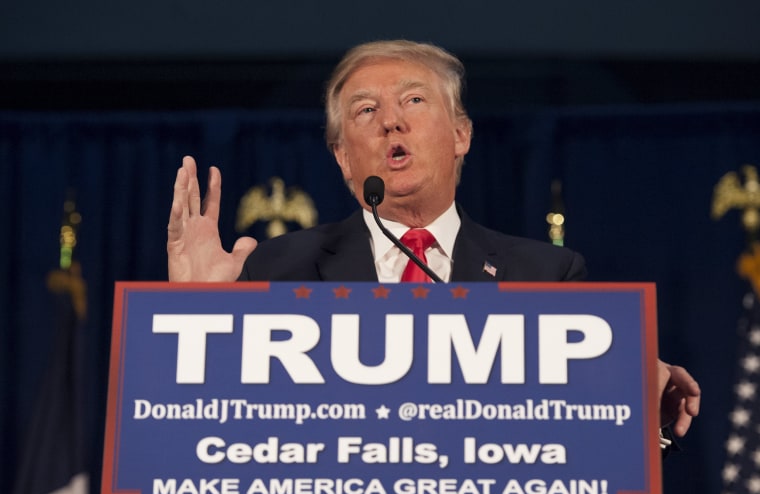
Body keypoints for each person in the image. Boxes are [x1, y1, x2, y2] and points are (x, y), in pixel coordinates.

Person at [167, 40, 699, 441]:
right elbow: (221, 447)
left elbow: (575, 453)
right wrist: (196, 319)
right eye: (366, 111)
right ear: (344, 158)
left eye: (414, 100)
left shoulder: (546, 277)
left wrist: (632, 412)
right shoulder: (278, 271)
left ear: (461, 135)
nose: (391, 121)